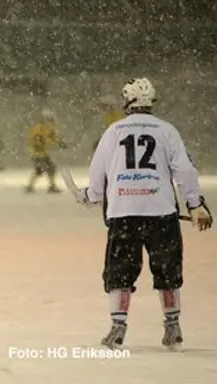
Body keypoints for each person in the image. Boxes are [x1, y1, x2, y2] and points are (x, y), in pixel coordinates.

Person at [74, 78, 213, 350]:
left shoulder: (113, 131)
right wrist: (195, 203)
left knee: (120, 271)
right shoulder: (167, 130)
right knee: (167, 268)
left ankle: (118, 326)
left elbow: (97, 176)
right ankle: (172, 325)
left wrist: (90, 196)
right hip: (161, 212)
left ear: (127, 101)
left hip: (123, 213)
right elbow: (185, 170)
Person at [24, 109, 67, 193]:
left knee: (45, 169)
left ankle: (32, 186)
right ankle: (48, 186)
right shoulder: (39, 128)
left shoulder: (47, 128)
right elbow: (36, 139)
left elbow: (53, 137)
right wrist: (39, 144)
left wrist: (60, 143)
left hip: (42, 153)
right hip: (38, 153)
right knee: (44, 169)